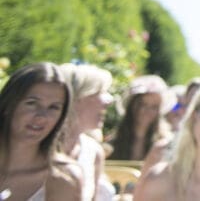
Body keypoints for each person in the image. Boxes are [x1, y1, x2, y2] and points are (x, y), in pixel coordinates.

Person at [0, 62, 83, 201]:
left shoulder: (63, 178)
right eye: (32, 103)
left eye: (53, 107)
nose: (41, 116)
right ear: (9, 105)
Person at [58, 63, 115, 201]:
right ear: (74, 99)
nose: (109, 101)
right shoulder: (34, 145)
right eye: (100, 92)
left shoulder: (93, 151)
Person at [107, 75, 171, 172]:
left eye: (154, 107)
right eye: (143, 104)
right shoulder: (113, 141)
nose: (147, 111)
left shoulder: (165, 143)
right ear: (132, 106)